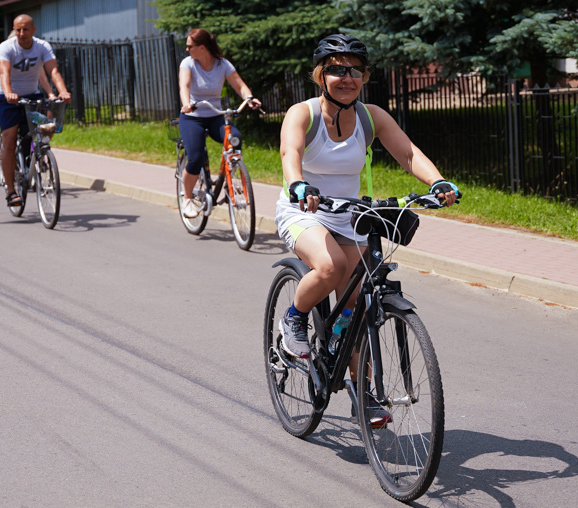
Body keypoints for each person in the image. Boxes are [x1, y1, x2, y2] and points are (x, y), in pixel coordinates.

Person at [276, 34, 460, 422]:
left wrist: (438, 182)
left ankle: (364, 393)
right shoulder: (303, 114)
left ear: (364, 76)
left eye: (355, 70)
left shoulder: (370, 116)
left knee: (358, 303)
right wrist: (298, 184)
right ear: (320, 75)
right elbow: (289, 153)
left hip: (349, 213)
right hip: (305, 209)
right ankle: (293, 319)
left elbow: (407, 153)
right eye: (337, 70)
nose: (347, 78)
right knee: (331, 268)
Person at [178, 28, 261, 218]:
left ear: (202, 48)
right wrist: (186, 104)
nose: (187, 49)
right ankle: (188, 198)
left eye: (189, 46)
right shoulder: (188, 63)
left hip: (215, 115)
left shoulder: (222, 65)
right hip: (192, 116)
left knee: (235, 139)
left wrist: (249, 98)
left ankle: (231, 181)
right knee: (196, 157)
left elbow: (239, 84)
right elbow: (185, 86)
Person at [0, 14, 70, 207]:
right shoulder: (6, 47)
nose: (21, 33)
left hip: (32, 94)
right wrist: (9, 93)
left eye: (25, 29)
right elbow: (4, 72)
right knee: (10, 139)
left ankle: (37, 153)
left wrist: (61, 91)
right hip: (7, 96)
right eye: (18, 29)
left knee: (48, 124)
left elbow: (53, 71)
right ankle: (11, 191)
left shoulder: (42, 46)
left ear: (33, 30)